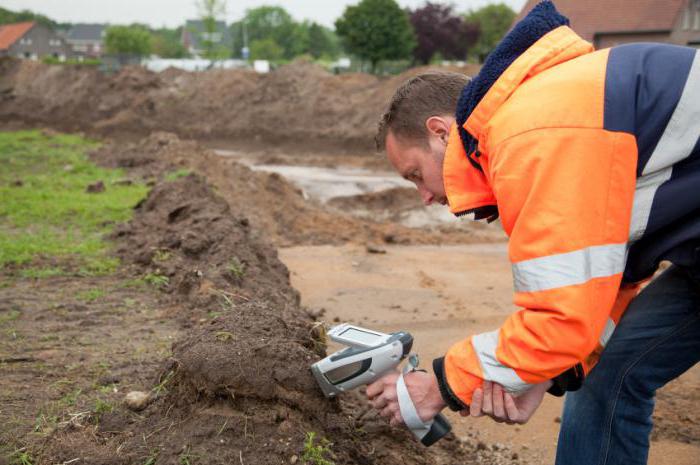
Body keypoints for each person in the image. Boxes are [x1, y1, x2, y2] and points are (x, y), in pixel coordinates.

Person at [365, 2, 700, 464]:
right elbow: (605, 285)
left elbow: (559, 316)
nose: (423, 195)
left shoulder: (534, 132)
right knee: (604, 376)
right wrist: (551, 372)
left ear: (441, 133)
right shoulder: (544, 113)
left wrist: (442, 383)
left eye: (415, 174)